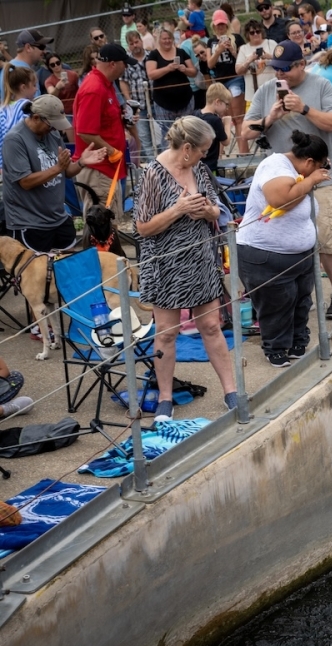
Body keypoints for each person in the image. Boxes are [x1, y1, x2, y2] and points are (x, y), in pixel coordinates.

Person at [243, 39, 332, 319]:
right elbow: (246, 131)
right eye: (277, 69)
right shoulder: (265, 91)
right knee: (289, 238)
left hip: (321, 176)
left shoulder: (322, 86)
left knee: (325, 236)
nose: (280, 74)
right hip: (283, 179)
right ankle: (302, 296)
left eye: (286, 68)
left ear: (301, 65)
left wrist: (304, 109)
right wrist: (269, 119)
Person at [133, 116, 237, 420]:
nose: (206, 155)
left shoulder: (200, 169)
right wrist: (177, 210)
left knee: (211, 326)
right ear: (188, 147)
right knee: (166, 332)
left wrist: (207, 210)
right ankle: (165, 398)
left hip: (201, 260)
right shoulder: (153, 174)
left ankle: (231, 390)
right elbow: (142, 227)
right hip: (166, 266)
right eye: (203, 149)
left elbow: (218, 208)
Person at [237, 130, 329, 367]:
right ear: (309, 162)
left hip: (299, 257)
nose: (319, 172)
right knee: (276, 306)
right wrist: (310, 181)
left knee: (300, 302)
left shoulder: (295, 171)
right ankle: (275, 348)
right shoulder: (275, 166)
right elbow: (279, 200)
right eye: (319, 167)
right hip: (265, 256)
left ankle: (298, 341)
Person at [2, 95, 106, 252]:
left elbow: (67, 171)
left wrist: (81, 162)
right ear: (36, 117)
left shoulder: (53, 135)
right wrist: (57, 168)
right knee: (38, 275)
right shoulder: (15, 140)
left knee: (69, 268)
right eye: (51, 125)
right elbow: (25, 182)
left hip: (58, 218)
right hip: (30, 223)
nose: (54, 130)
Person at [74, 45, 130, 223]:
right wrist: (111, 150)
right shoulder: (94, 88)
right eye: (124, 63)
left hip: (106, 169)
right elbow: (85, 131)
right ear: (113, 64)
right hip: (99, 170)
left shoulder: (105, 83)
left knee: (108, 225)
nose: (126, 67)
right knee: (102, 227)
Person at [146, 28, 198, 147]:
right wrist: (168, 68)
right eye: (164, 39)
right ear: (159, 40)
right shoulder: (154, 54)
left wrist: (185, 69)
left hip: (185, 99)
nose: (167, 41)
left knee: (187, 131)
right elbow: (151, 74)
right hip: (163, 102)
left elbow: (194, 72)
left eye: (169, 38)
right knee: (168, 133)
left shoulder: (181, 52)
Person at [208, 10, 248, 154]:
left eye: (223, 24)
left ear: (227, 24)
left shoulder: (236, 38)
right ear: (214, 25)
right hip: (219, 82)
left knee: (238, 118)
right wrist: (218, 50)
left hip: (235, 78)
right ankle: (219, 155)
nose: (220, 27)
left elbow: (243, 59)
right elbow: (210, 64)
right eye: (218, 25)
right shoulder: (211, 41)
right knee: (223, 118)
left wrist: (232, 50)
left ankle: (243, 153)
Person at [122, 31, 155, 162]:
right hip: (138, 105)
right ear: (128, 46)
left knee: (161, 134)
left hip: (156, 103)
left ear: (141, 41)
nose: (135, 45)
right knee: (144, 136)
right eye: (131, 43)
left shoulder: (151, 56)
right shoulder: (127, 62)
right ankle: (154, 165)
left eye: (136, 42)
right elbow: (123, 82)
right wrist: (128, 100)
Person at [0, 66, 38, 172]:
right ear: (23, 87)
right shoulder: (27, 106)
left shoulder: (3, 109)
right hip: (26, 163)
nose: (37, 89)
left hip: (7, 165)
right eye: (34, 85)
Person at [193, 82, 234, 173]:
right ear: (218, 102)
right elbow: (226, 141)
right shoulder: (215, 120)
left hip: (196, 164)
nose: (227, 108)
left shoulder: (196, 114)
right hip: (210, 166)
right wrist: (227, 125)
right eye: (226, 104)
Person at [0, 30, 52, 98]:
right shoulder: (20, 72)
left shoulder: (12, 67)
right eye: (41, 47)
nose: (44, 51)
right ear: (28, 47)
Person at [237, 20, 279, 98]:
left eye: (258, 31)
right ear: (247, 35)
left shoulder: (271, 43)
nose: (255, 34)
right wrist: (249, 60)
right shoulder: (243, 48)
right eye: (252, 33)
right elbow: (238, 71)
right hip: (252, 95)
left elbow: (283, 60)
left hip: (273, 92)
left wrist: (270, 56)